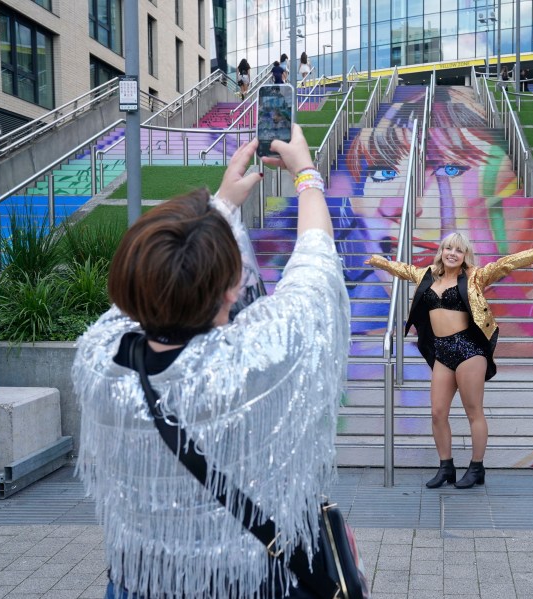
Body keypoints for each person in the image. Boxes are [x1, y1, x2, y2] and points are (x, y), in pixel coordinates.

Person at [74, 125, 350, 598]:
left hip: (139, 581)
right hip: (243, 583)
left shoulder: (99, 358)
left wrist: (219, 206)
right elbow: (316, 268)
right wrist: (306, 174)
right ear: (230, 291)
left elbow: (145, 289)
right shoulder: (253, 359)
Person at [364, 234, 533, 489]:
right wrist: (381, 262)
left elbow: (504, 264)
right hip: (442, 350)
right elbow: (404, 270)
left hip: (469, 349)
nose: (452, 253)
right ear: (441, 251)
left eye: (458, 250)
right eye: (448, 248)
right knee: (438, 413)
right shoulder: (427, 275)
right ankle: (446, 466)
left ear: (464, 256)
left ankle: (476, 467)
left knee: (473, 412)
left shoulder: (474, 277)